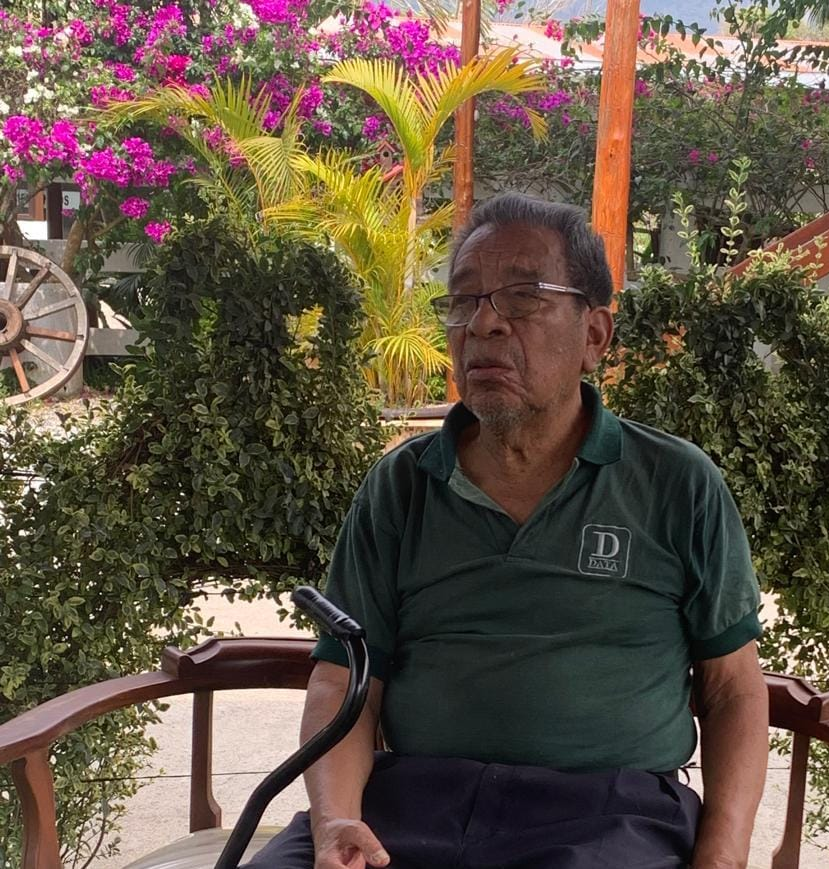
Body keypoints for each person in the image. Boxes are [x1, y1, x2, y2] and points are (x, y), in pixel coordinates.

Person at [245, 193, 768, 869]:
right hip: (410, 805)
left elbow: (732, 689)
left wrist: (721, 859)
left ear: (595, 336)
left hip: (608, 818)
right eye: (464, 300)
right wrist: (336, 820)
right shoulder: (402, 486)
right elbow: (344, 679)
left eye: (524, 297)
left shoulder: (676, 483)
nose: (484, 322)